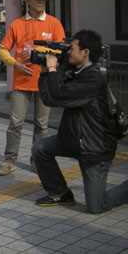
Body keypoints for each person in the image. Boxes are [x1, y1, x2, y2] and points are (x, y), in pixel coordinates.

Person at [33, 30, 128, 213]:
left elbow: (60, 95)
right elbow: (50, 99)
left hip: (94, 149)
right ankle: (60, 193)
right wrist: (45, 73)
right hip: (74, 140)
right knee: (40, 148)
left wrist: (52, 69)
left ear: (85, 52)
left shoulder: (93, 79)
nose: (68, 51)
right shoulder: (74, 72)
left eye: (73, 48)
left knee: (96, 207)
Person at [0, 0, 65, 175]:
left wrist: (38, 52)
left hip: (45, 82)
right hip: (21, 82)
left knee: (41, 125)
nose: (42, 1)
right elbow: (3, 49)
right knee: (15, 122)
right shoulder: (17, 24)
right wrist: (15, 64)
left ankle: (37, 160)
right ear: (28, 1)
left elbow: (60, 50)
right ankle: (9, 161)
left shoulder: (54, 23)